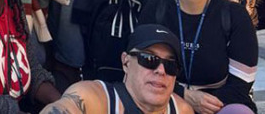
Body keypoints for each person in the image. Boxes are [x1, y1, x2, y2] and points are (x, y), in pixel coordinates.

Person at [141, 0, 258, 114]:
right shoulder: (155, 11)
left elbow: (241, 85)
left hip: (220, 104)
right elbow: (141, 72)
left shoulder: (235, 16)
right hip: (167, 99)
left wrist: (202, 104)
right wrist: (185, 97)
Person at [39, 23, 193, 114]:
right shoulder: (94, 99)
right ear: (126, 62)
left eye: (170, 65)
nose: (161, 70)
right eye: (149, 59)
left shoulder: (181, 110)